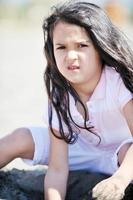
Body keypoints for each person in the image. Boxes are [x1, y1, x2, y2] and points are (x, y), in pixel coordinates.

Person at [0, 1, 133, 199]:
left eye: (81, 46)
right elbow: (57, 169)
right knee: (20, 138)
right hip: (79, 151)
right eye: (61, 47)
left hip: (122, 153)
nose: (71, 56)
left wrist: (120, 179)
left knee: (127, 150)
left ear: (100, 46)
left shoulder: (117, 81)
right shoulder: (59, 92)